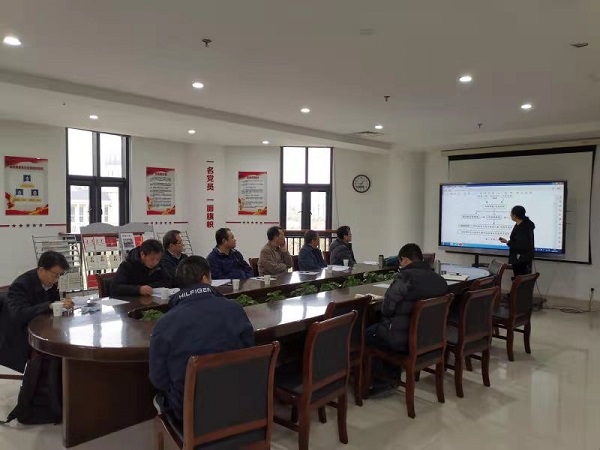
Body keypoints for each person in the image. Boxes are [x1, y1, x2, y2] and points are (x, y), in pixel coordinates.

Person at [149, 256, 255, 422]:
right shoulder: (234, 310)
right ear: (205, 279)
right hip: (239, 401)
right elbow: (250, 351)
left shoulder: (165, 324)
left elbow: (158, 379)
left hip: (191, 413)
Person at [365, 243, 448, 394]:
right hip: (430, 338)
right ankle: (391, 375)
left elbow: (386, 309)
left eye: (400, 261)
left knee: (369, 333)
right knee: (386, 330)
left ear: (405, 260)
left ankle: (383, 381)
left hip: (403, 340)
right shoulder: (439, 280)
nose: (400, 265)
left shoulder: (405, 278)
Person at [0, 251, 72, 373]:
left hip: (41, 329)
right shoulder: (21, 285)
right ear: (42, 270)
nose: (57, 279)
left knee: (63, 344)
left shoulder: (50, 283)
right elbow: (19, 314)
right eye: (55, 275)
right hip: (20, 336)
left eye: (60, 275)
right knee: (55, 355)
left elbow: (52, 303)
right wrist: (49, 306)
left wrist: (61, 304)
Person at [500, 205, 536, 276]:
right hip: (521, 258)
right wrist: (507, 242)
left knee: (520, 278)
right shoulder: (522, 224)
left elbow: (520, 245)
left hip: (521, 259)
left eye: (511, 214)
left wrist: (508, 242)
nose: (510, 215)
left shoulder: (523, 228)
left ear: (515, 216)